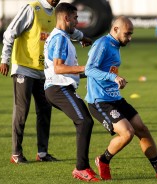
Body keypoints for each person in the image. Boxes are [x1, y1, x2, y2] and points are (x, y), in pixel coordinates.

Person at [0, 0, 92, 164]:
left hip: (44, 71)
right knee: (22, 111)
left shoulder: (57, 13)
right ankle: (16, 153)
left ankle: (42, 153)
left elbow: (67, 28)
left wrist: (82, 37)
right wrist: (5, 59)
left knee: (45, 111)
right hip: (24, 68)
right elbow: (9, 33)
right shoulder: (32, 9)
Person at [85, 16, 157, 181]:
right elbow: (89, 69)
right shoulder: (102, 44)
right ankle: (103, 160)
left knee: (142, 129)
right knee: (127, 133)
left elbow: (109, 70)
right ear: (115, 30)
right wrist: (113, 78)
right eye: (127, 34)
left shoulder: (114, 45)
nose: (130, 38)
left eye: (131, 34)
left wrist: (116, 81)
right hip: (100, 101)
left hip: (115, 98)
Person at [43, 3, 99, 182]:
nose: (77, 21)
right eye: (75, 18)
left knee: (83, 121)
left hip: (60, 87)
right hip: (58, 87)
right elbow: (59, 68)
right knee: (84, 121)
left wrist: (92, 73)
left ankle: (83, 166)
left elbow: (65, 69)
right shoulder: (59, 38)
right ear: (66, 18)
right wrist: (85, 67)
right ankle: (81, 168)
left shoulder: (61, 37)